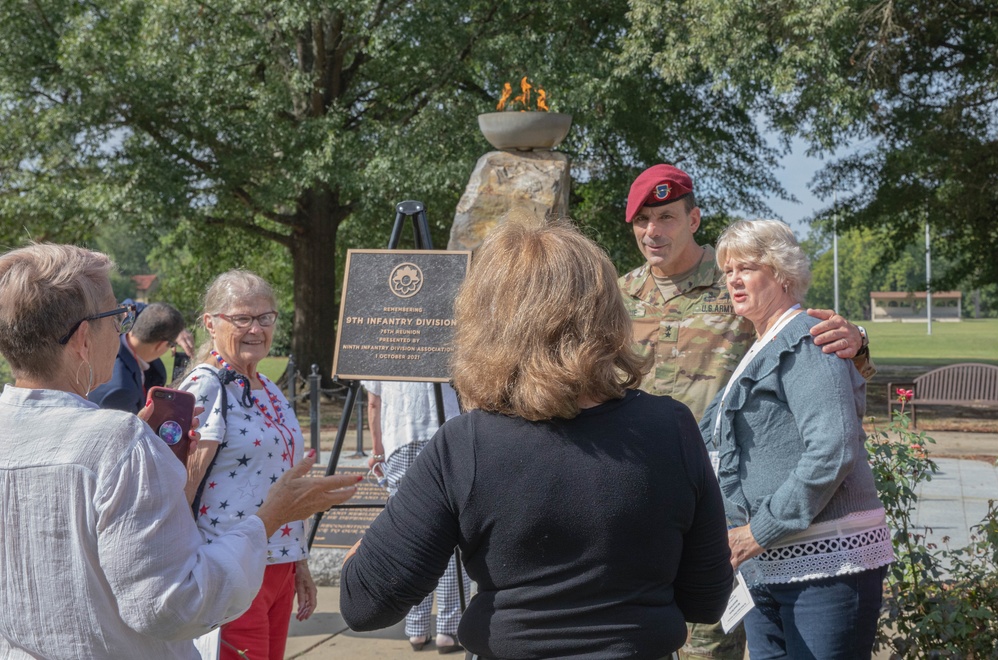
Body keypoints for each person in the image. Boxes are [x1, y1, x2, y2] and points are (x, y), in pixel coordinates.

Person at [341, 214, 734, 659]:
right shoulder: (671, 427)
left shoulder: (465, 445)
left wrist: (363, 552)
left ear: (485, 318)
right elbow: (706, 597)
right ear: (606, 312)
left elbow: (364, 604)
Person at [0, 243, 359, 658]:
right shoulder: (121, 443)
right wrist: (270, 517)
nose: (123, 330)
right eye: (118, 318)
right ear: (83, 338)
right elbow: (169, 606)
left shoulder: (119, 441)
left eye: (265, 317)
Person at [618, 163, 874, 659]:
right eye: (642, 220)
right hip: (638, 493)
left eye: (667, 216)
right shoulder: (615, 295)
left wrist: (860, 341)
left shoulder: (740, 279)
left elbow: (808, 341)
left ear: (694, 220)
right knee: (635, 629)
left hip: (715, 497)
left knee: (711, 637)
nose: (653, 231)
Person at [702, 219, 893, 658]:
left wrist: (759, 531)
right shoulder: (762, 343)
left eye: (746, 267)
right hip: (765, 565)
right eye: (727, 269)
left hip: (822, 565)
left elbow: (833, 449)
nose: (732, 279)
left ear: (782, 273)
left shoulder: (807, 338)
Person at [179, 270, 317, 660]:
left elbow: (283, 480)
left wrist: (299, 561)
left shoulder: (269, 387)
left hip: (278, 565)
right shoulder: (206, 385)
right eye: (242, 318)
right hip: (230, 566)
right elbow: (183, 486)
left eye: (265, 318)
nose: (256, 329)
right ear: (211, 323)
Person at [362, 380, 468, 653]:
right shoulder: (450, 336)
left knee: (410, 537)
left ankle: (417, 629)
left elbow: (374, 401)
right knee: (454, 537)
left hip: (400, 439)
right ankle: (450, 628)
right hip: (449, 434)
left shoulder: (386, 338)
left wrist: (376, 450)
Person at [89, 301, 187, 412]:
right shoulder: (122, 391)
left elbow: (151, 310)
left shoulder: (116, 344)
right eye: (171, 344)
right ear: (161, 345)